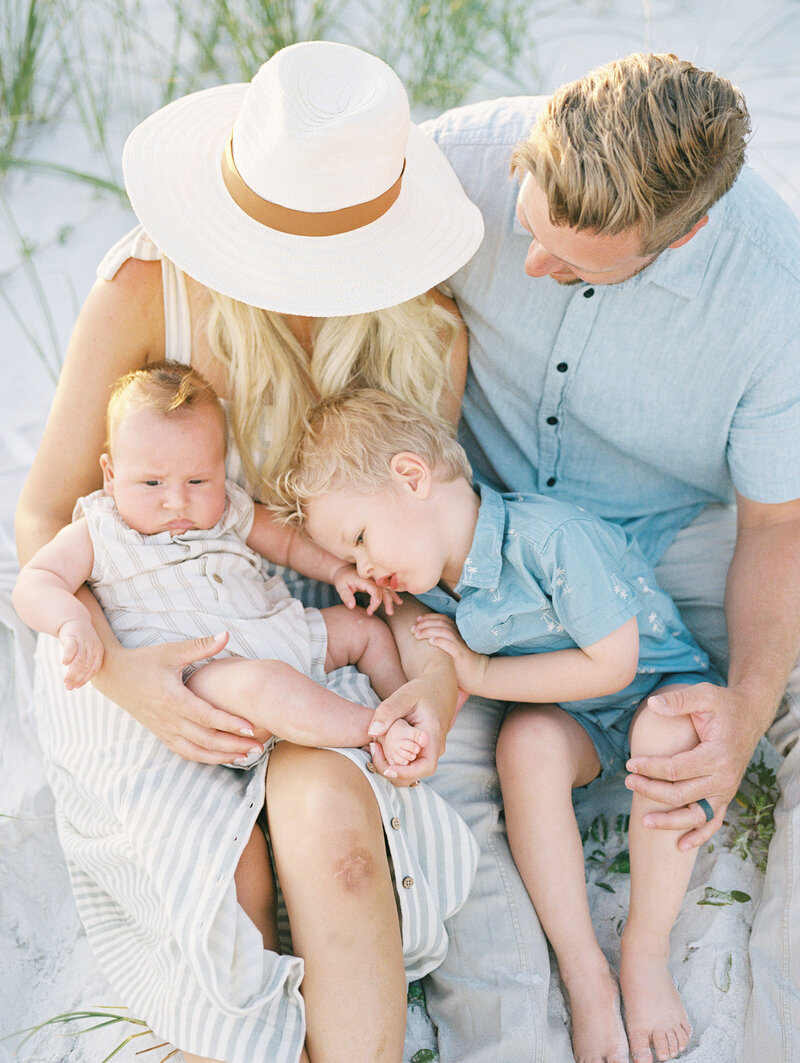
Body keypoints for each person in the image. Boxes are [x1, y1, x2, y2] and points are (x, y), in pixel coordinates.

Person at [15, 41, 485, 1063]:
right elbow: (42, 518)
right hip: (141, 632)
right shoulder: (149, 287)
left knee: (341, 855)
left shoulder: (424, 335)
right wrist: (126, 673)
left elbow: (398, 581)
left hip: (304, 642)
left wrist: (435, 680)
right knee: (218, 882)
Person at [372, 50, 800, 1063]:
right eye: (529, 233)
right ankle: (547, 998)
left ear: (682, 234)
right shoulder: (451, 167)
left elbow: (776, 528)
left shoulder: (768, 298)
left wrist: (741, 708)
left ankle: (724, 997)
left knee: (733, 708)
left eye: (572, 263)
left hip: (665, 560)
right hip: (480, 550)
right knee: (449, 775)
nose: (532, 269)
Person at [280, 387, 720, 1063]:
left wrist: (481, 676)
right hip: (580, 720)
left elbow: (614, 663)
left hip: (657, 684)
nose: (365, 567)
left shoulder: (552, 540)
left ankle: (644, 951)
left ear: (411, 476)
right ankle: (584, 971)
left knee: (666, 730)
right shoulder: (430, 575)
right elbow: (408, 629)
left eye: (361, 539)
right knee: (524, 743)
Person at [13, 363, 426, 767]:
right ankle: (376, 729)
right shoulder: (99, 529)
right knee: (262, 685)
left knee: (365, 630)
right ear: (111, 474)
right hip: (206, 672)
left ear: (220, 468)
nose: (177, 500)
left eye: (197, 481)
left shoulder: (228, 507)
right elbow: (35, 581)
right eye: (152, 483)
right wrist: (72, 621)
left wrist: (338, 571)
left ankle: (403, 706)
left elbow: (286, 542)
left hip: (280, 630)